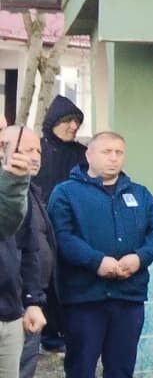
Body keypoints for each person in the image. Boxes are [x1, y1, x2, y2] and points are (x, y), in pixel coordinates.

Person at [48, 130, 153, 378]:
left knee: (121, 362)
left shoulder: (139, 195)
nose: (113, 157)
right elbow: (62, 236)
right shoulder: (66, 193)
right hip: (84, 295)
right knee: (81, 362)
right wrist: (95, 262)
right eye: (106, 151)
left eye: (119, 152)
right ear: (89, 155)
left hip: (128, 294)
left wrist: (139, 258)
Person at [0, 126, 44, 378]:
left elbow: (22, 240)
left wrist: (32, 300)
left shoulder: (22, 189)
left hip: (9, 311)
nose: (29, 155)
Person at [6, 127, 51, 378]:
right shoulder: (10, 193)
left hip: (27, 305)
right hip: (13, 307)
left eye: (38, 149)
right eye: (27, 149)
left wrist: (36, 299)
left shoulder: (31, 191)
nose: (35, 156)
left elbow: (35, 250)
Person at [34, 95, 85, 353]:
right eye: (68, 121)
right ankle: (48, 334)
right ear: (53, 121)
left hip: (71, 227)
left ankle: (68, 330)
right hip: (40, 226)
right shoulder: (38, 150)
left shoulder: (81, 155)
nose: (73, 127)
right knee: (44, 277)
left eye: (77, 122)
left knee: (70, 279)